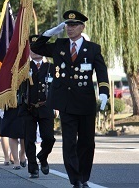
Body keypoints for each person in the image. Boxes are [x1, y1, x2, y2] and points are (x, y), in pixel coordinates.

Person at [30, 10, 109, 188]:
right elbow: (35, 46)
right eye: (67, 25)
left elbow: (101, 71)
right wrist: (52, 32)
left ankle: (83, 176)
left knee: (87, 142)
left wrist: (104, 92)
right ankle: (75, 179)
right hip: (65, 102)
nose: (70, 28)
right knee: (70, 142)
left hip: (86, 101)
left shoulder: (93, 48)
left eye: (74, 25)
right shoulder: (60, 45)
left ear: (82, 27)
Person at [23, 47, 56, 178]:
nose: (36, 51)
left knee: (49, 138)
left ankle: (42, 156)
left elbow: (57, 87)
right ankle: (33, 168)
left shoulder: (51, 67)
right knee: (29, 140)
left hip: (46, 107)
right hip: (28, 108)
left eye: (39, 48)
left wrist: (57, 106)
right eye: (33, 49)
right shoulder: (24, 67)